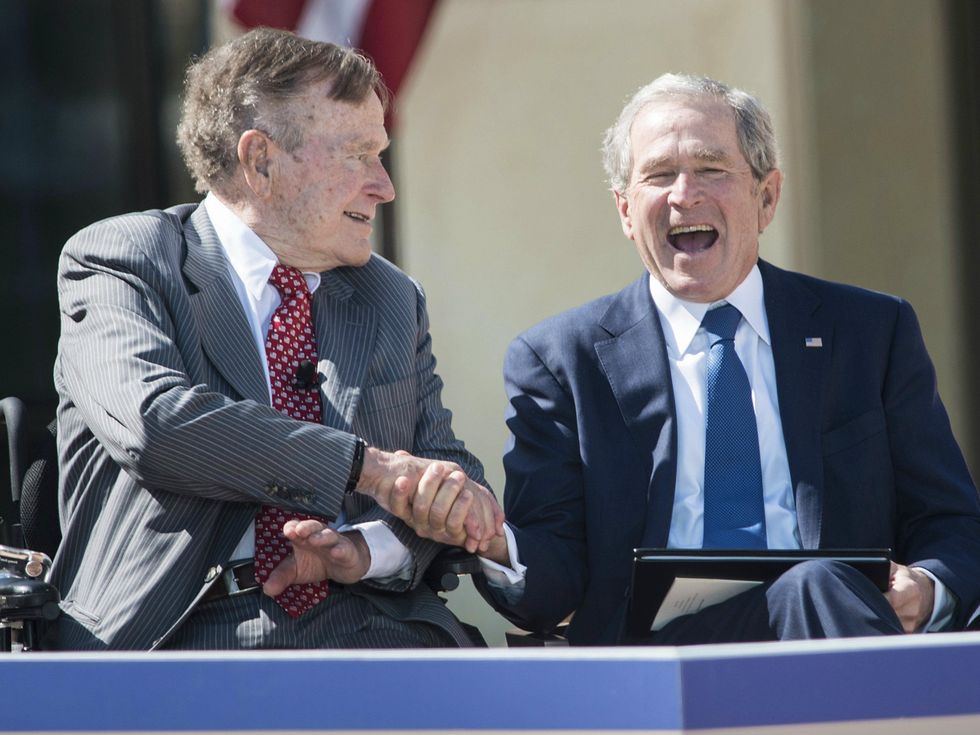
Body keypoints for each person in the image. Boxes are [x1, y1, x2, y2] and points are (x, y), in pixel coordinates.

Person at [471, 73, 980, 645]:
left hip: (829, 622)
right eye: (659, 175)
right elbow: (549, 589)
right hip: (656, 658)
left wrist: (928, 588)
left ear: (766, 198)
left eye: (711, 169)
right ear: (624, 211)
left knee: (813, 587)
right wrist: (495, 541)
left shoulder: (869, 333)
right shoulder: (561, 360)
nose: (684, 195)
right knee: (815, 589)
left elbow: (949, 520)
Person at [50, 27, 501, 651]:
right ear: (260, 161)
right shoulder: (123, 259)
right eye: (357, 155)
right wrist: (363, 469)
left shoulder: (389, 296)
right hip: (179, 636)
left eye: (382, 154)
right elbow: (158, 425)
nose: (384, 184)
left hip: (373, 630)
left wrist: (365, 549)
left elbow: (444, 468)